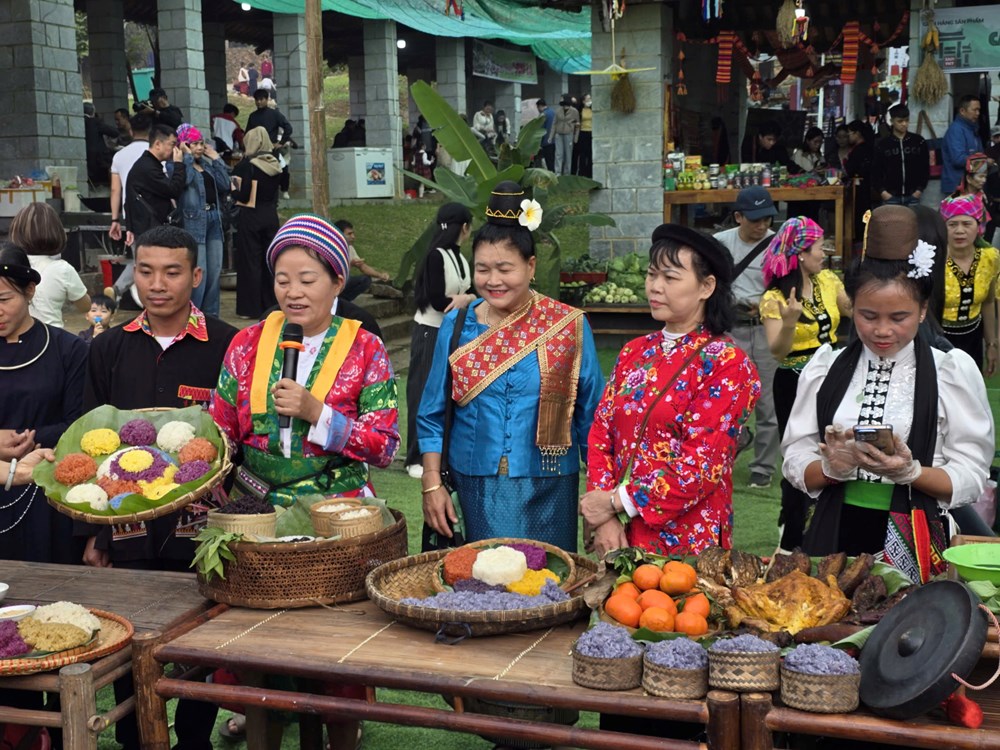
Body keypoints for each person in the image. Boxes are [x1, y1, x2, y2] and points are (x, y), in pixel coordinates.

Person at [79, 224, 235, 750]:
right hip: (125, 528)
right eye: (145, 271)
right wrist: (95, 536)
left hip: (203, 531)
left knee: (198, 644)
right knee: (124, 641)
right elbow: (89, 447)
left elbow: (240, 441)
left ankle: (194, 740)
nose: (157, 284)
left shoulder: (227, 344)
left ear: (196, 275)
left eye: (171, 272)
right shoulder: (109, 349)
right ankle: (134, 738)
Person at [782, 205, 994, 583]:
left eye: (899, 318)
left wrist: (911, 472)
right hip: (833, 529)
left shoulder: (950, 370)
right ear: (852, 308)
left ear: (923, 309)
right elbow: (797, 457)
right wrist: (833, 468)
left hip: (916, 532)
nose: (882, 330)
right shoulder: (825, 367)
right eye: (867, 316)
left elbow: (971, 474)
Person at [419, 182, 603, 551]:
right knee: (482, 591)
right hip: (475, 485)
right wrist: (432, 484)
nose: (493, 280)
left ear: (531, 265)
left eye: (505, 268)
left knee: (551, 587)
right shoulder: (457, 326)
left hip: (551, 483)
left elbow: (593, 419)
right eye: (483, 269)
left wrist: (599, 498)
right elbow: (431, 414)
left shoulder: (567, 326)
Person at [581, 224, 760, 557]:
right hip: (618, 530)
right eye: (652, 275)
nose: (655, 287)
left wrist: (615, 502)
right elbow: (601, 434)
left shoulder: (728, 363)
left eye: (670, 277)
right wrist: (605, 516)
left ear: (706, 286)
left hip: (688, 540)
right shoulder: (634, 351)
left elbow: (702, 465)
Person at [760, 217, 851, 551]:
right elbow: (777, 350)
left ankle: (828, 526)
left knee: (834, 449)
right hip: (793, 380)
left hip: (833, 377)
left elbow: (853, 309)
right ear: (799, 253)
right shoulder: (773, 297)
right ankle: (792, 530)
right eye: (818, 247)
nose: (824, 253)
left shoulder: (828, 280)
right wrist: (789, 323)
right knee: (799, 453)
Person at [0, 243, 88, 564]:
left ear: (30, 291)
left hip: (49, 494)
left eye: (4, 300)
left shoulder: (68, 350)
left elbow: (81, 426)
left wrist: (30, 438)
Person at [714, 187, 778, 489]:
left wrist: (766, 302)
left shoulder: (777, 244)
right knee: (724, 400)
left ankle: (763, 468)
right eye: (755, 219)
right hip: (729, 328)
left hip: (765, 328)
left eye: (767, 218)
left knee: (768, 403)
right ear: (738, 216)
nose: (762, 225)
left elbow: (787, 284)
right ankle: (725, 452)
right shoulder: (720, 244)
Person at [405, 204, 475, 480]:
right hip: (429, 331)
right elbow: (437, 300)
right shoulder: (435, 256)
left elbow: (469, 292)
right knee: (422, 393)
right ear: (465, 228)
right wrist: (463, 300)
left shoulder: (458, 257)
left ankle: (440, 452)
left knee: (446, 394)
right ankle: (415, 457)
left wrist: (467, 299)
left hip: (452, 332)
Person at [938, 193, 999, 374]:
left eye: (967, 224)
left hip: (973, 339)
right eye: (952, 224)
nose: (959, 231)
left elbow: (987, 302)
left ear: (978, 226)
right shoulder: (933, 260)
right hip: (938, 341)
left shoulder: (990, 257)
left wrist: (991, 344)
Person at [175, 123, 230, 318]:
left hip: (214, 218)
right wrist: (186, 156)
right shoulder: (179, 164)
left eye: (200, 143)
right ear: (183, 145)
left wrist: (216, 159)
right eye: (193, 144)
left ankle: (211, 317)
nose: (198, 148)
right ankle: (194, 316)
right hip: (194, 221)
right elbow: (186, 181)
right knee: (201, 272)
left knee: (215, 271)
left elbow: (225, 185)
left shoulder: (206, 164)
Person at [10, 202, 91, 329]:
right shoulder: (62, 269)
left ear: (17, 232)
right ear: (57, 232)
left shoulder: (9, 266)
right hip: (52, 339)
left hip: (15, 339)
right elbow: (85, 306)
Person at [232, 126, 282, 319]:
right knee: (269, 262)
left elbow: (242, 194)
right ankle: (271, 304)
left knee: (250, 262)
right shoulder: (275, 164)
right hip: (270, 216)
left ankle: (250, 308)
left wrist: (233, 190)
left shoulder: (247, 165)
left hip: (251, 217)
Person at [106, 113, 153, 307]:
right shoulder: (155, 151)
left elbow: (116, 189)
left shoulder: (119, 155)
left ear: (131, 130)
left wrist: (115, 219)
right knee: (148, 259)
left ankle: (119, 290)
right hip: (155, 213)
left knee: (140, 257)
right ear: (151, 132)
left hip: (130, 215)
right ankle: (120, 289)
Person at [124, 123, 186, 241]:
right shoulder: (148, 167)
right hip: (150, 231)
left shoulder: (147, 164)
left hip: (150, 228)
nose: (175, 149)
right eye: (172, 144)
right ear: (158, 144)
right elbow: (174, 190)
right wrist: (179, 164)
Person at [872, 103, 929, 207]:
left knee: (913, 223)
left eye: (907, 120)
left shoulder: (918, 141)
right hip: (890, 196)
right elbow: (876, 171)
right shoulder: (883, 145)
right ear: (892, 121)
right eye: (900, 121)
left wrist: (919, 190)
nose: (904, 124)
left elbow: (925, 167)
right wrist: (883, 192)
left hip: (913, 195)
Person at [246, 89, 293, 199]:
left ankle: (281, 193)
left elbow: (288, 128)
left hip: (271, 150)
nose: (259, 102)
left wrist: (280, 143)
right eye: (256, 100)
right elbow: (248, 133)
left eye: (261, 99)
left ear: (267, 100)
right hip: (256, 152)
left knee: (278, 172)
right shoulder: (253, 116)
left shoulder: (275, 114)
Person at [333, 219, 392, 301]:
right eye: (349, 234)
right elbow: (334, 274)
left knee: (365, 280)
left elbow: (363, 267)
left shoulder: (349, 248)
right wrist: (350, 265)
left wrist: (381, 275)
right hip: (332, 284)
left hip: (343, 283)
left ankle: (343, 301)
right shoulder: (332, 249)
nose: (353, 237)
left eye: (353, 233)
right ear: (339, 234)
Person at [942, 95, 986, 195]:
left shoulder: (972, 129)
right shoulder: (956, 130)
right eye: (974, 110)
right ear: (962, 111)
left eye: (979, 110)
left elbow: (979, 154)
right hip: (957, 186)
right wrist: (984, 161)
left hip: (970, 185)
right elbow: (958, 159)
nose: (978, 113)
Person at [844, 120, 875, 240]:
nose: (848, 137)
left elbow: (850, 170)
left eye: (849, 134)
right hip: (864, 188)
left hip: (860, 189)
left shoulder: (859, 151)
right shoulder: (866, 148)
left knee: (860, 217)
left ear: (857, 133)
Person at [788, 126, 827, 221]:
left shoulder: (819, 156)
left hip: (813, 196)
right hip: (798, 196)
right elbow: (796, 174)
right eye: (815, 142)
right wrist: (813, 172)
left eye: (820, 143)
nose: (818, 145)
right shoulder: (799, 154)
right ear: (808, 141)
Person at [83, 102, 118, 185]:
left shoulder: (78, 122)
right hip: (97, 161)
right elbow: (114, 132)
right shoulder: (94, 122)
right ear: (93, 112)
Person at [553, 95, 581, 176]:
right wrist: (552, 135)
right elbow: (554, 123)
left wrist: (575, 138)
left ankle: (567, 174)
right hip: (559, 134)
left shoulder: (574, 111)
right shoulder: (558, 110)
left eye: (562, 99)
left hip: (569, 134)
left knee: (568, 155)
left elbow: (578, 125)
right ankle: (557, 173)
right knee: (558, 154)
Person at [574, 95, 593, 177]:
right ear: (583, 101)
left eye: (590, 99)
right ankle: (582, 173)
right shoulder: (580, 110)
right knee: (583, 154)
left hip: (591, 132)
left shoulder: (592, 109)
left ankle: (590, 172)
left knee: (590, 153)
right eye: (588, 99)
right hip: (582, 132)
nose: (589, 101)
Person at [536, 99, 556, 171]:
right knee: (554, 160)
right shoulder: (553, 112)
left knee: (549, 162)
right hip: (555, 141)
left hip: (546, 142)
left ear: (540, 106)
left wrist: (539, 144)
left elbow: (540, 130)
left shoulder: (543, 115)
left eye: (538, 108)